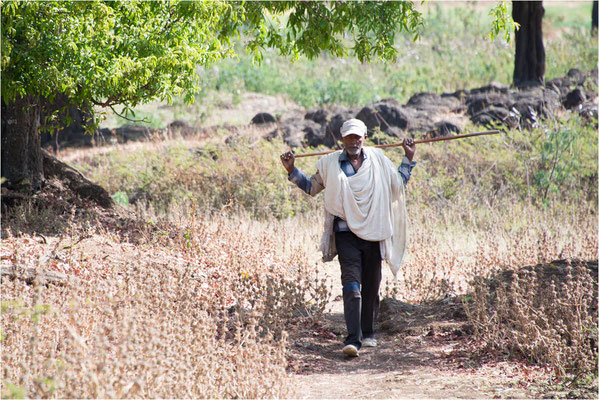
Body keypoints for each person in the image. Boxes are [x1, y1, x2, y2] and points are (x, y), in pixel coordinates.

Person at [280, 118, 416, 357]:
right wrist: (292, 170)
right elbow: (311, 188)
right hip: (345, 235)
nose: (354, 141)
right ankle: (353, 339)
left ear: (364, 138)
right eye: (350, 137)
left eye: (358, 137)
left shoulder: (378, 161)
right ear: (342, 139)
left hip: (374, 233)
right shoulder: (330, 163)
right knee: (352, 285)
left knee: (372, 285)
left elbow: (399, 184)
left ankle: (369, 332)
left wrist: (408, 158)